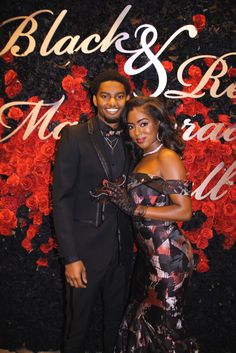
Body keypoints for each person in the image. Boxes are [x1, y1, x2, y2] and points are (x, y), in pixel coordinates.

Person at [97, 96, 199, 352]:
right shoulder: (143, 158)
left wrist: (136, 208)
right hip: (150, 259)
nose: (136, 132)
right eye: (131, 126)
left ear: (158, 123)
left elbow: (184, 211)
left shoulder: (167, 157)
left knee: (165, 327)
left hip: (169, 259)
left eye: (143, 124)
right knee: (145, 323)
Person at [53, 69, 135, 353]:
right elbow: (61, 199)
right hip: (84, 255)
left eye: (119, 96)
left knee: (116, 328)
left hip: (123, 254)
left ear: (127, 99)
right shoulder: (75, 136)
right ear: (95, 99)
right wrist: (71, 257)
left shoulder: (133, 137)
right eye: (106, 96)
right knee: (78, 327)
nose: (113, 102)